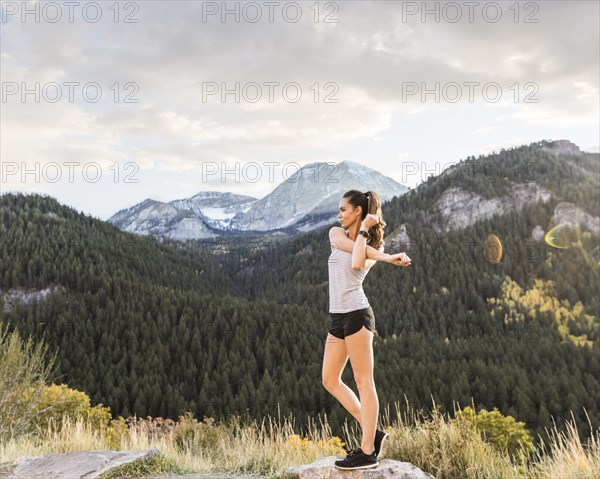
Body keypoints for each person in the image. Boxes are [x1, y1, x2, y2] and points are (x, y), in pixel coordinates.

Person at [323, 189, 411, 470]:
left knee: (364, 382)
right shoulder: (335, 234)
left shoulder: (372, 245)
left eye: (344, 210)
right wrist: (388, 258)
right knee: (330, 379)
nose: (339, 215)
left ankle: (368, 450)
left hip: (358, 316)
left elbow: (359, 261)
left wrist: (366, 235)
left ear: (358, 212)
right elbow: (353, 250)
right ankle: (372, 431)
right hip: (337, 317)